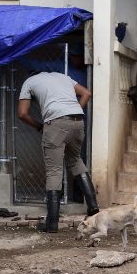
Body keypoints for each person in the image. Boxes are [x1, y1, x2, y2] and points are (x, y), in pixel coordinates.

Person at [17, 70, 99, 233]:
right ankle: (93, 208)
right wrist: (75, 110)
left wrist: (39, 126)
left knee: (54, 171)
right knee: (75, 160)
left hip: (55, 124)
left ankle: (52, 223)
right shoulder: (64, 77)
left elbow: (22, 113)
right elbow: (87, 93)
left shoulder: (29, 81)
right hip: (78, 122)